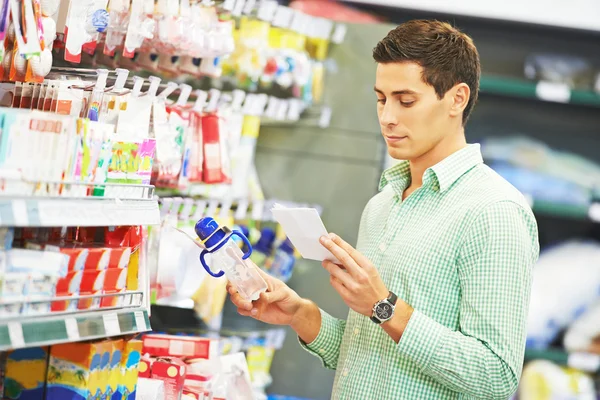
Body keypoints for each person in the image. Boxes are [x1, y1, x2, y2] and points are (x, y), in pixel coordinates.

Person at [228, 19, 539, 399]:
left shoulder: (494, 211)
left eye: (406, 101)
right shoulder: (383, 204)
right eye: (381, 98)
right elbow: (372, 356)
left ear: (457, 99)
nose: (388, 117)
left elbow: (495, 375)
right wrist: (299, 314)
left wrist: (384, 306)